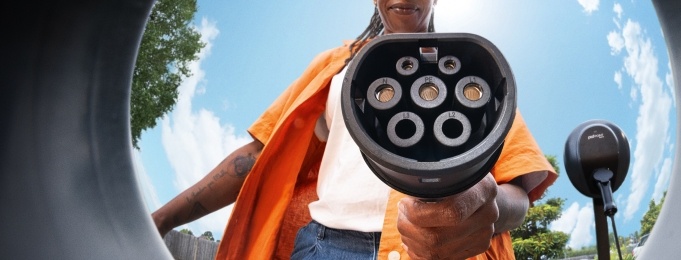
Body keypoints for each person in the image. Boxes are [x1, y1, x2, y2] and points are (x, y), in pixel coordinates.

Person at [150, 1, 557, 259]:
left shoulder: (472, 76)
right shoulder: (337, 67)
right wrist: (161, 220)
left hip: (448, 252)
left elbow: (517, 188)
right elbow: (256, 156)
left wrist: (489, 210)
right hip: (330, 246)